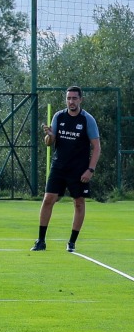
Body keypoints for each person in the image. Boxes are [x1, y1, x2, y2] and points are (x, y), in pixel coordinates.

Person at [33, 86, 100, 252]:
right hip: (59, 167)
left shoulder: (87, 120)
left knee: (78, 203)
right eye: (69, 98)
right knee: (48, 199)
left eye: (74, 98)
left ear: (80, 100)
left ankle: (72, 242)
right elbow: (49, 142)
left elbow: (97, 147)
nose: (71, 101)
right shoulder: (59, 116)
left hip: (79, 170)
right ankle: (40, 241)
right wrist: (49, 134)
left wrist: (90, 170)